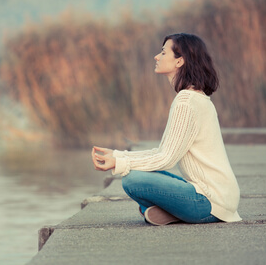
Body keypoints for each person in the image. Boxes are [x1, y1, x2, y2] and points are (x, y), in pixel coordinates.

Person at [91, 33, 241, 225]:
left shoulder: (186, 101)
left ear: (179, 61)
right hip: (219, 197)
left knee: (132, 179)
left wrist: (118, 163)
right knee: (137, 172)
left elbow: (165, 159)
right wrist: (118, 155)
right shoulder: (196, 97)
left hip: (209, 202)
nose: (156, 57)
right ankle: (170, 213)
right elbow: (163, 153)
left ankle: (173, 211)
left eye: (163, 52)